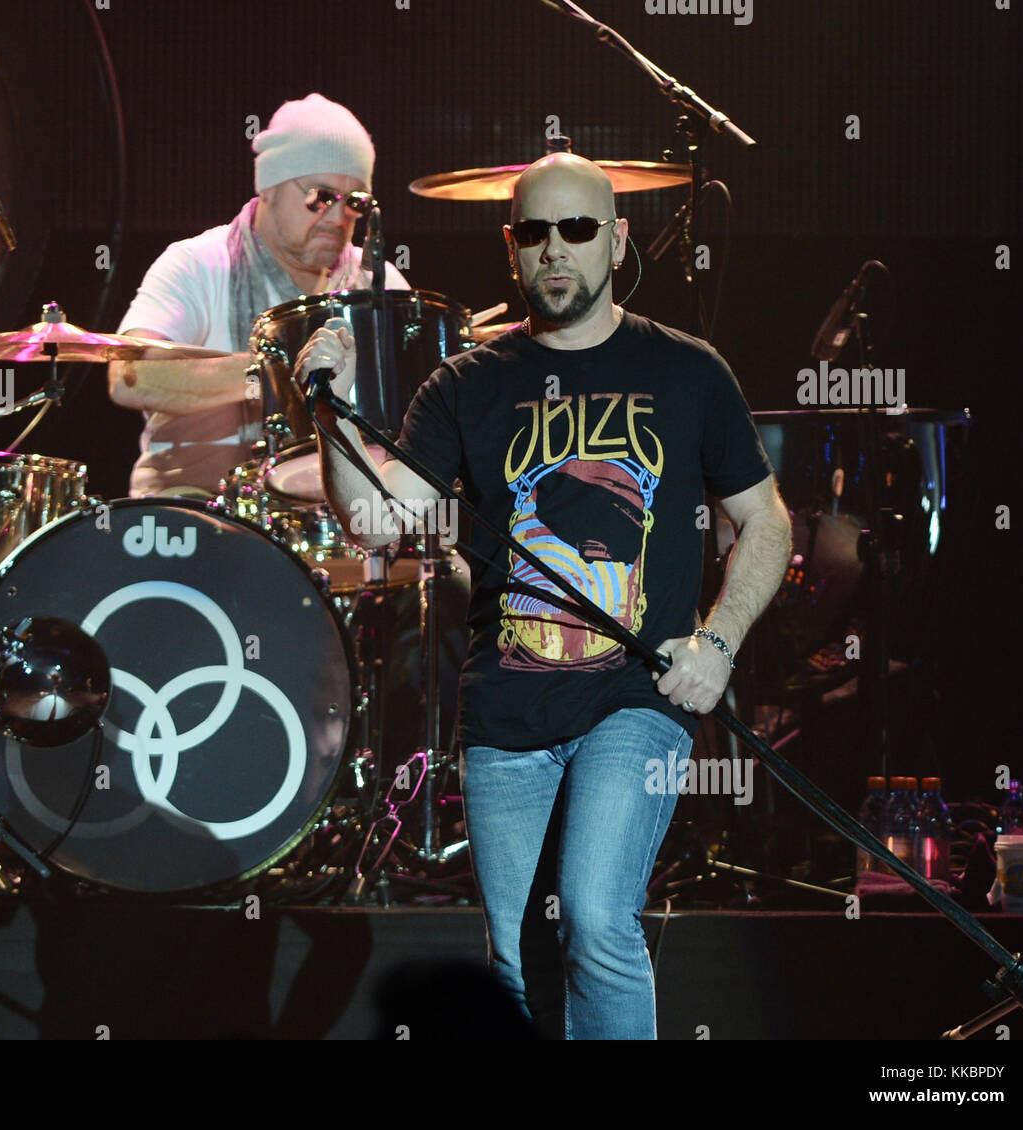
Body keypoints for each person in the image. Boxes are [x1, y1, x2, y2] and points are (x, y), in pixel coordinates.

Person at [297, 153, 792, 1039]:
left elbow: (766, 522)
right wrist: (327, 411)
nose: (555, 250)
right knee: (518, 965)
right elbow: (376, 521)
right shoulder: (465, 385)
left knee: (598, 920)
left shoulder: (686, 371)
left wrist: (717, 644)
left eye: (577, 229)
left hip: (634, 699)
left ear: (617, 238)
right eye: (535, 233)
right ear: (511, 248)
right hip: (506, 711)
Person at [108, 92, 408, 497]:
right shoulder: (196, 264)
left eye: (355, 202)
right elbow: (130, 378)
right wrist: (273, 372)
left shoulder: (377, 283)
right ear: (268, 188)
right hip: (193, 517)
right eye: (321, 197)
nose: (338, 218)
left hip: (338, 530)